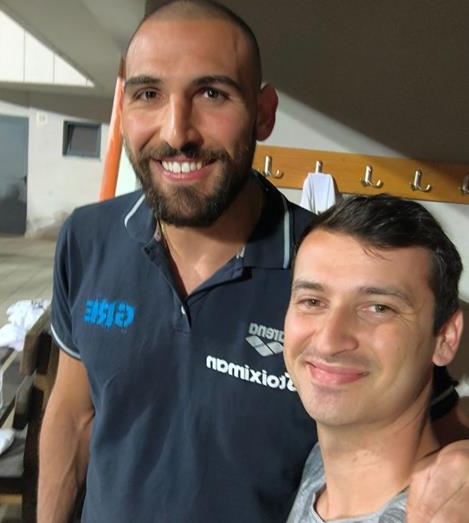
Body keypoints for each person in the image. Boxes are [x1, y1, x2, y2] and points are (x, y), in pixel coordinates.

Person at [38, 2, 469, 522]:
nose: (177, 133)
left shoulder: (328, 273)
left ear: (264, 112)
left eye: (212, 94)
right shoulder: (87, 238)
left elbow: (432, 425)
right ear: (123, 107)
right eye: (148, 94)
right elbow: (73, 416)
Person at [284, 194, 464, 522]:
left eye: (378, 308)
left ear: (445, 338)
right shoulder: (319, 469)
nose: (328, 341)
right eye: (312, 301)